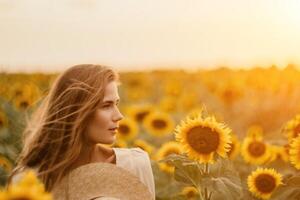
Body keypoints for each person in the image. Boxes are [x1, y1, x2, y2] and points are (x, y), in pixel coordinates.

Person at [8, 64, 155, 199]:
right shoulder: (28, 180)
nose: (119, 116)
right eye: (106, 105)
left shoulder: (134, 164)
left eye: (116, 104)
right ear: (77, 111)